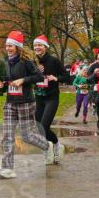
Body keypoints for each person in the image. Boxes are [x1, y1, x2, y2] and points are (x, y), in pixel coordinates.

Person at [0, 31, 51, 179]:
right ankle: (7, 168)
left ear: (18, 46)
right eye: (6, 45)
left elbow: (38, 77)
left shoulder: (26, 61)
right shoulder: (6, 62)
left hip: (26, 102)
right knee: (7, 135)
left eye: (11, 46)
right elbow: (8, 81)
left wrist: (23, 80)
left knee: (27, 136)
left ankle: (47, 146)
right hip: (10, 103)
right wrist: (2, 86)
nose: (8, 48)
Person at [33, 35, 64, 165]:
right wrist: (35, 71)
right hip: (39, 98)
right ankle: (56, 144)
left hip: (51, 97)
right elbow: (27, 77)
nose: (37, 48)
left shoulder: (54, 61)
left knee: (44, 126)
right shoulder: (32, 62)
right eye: (35, 45)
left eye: (40, 45)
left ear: (45, 47)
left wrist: (56, 78)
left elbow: (67, 76)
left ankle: (50, 147)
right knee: (40, 128)